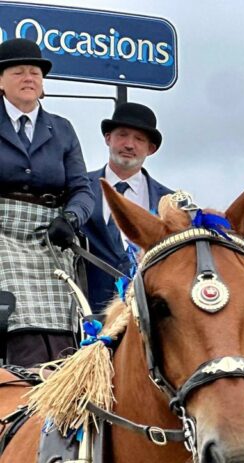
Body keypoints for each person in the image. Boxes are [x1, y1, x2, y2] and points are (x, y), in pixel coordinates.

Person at [0, 38, 92, 366]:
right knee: (16, 309)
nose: (29, 77)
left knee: (64, 306)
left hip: (50, 233)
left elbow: (83, 189)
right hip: (2, 232)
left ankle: (63, 380)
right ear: (0, 81)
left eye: (35, 72)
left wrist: (71, 219)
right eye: (18, 71)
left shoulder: (63, 129)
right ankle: (21, 382)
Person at [81, 102, 172, 312]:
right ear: (108, 138)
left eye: (139, 139)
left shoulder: (168, 202)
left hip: (145, 315)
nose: (129, 145)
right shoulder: (78, 187)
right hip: (84, 315)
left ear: (151, 149)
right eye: (122, 135)